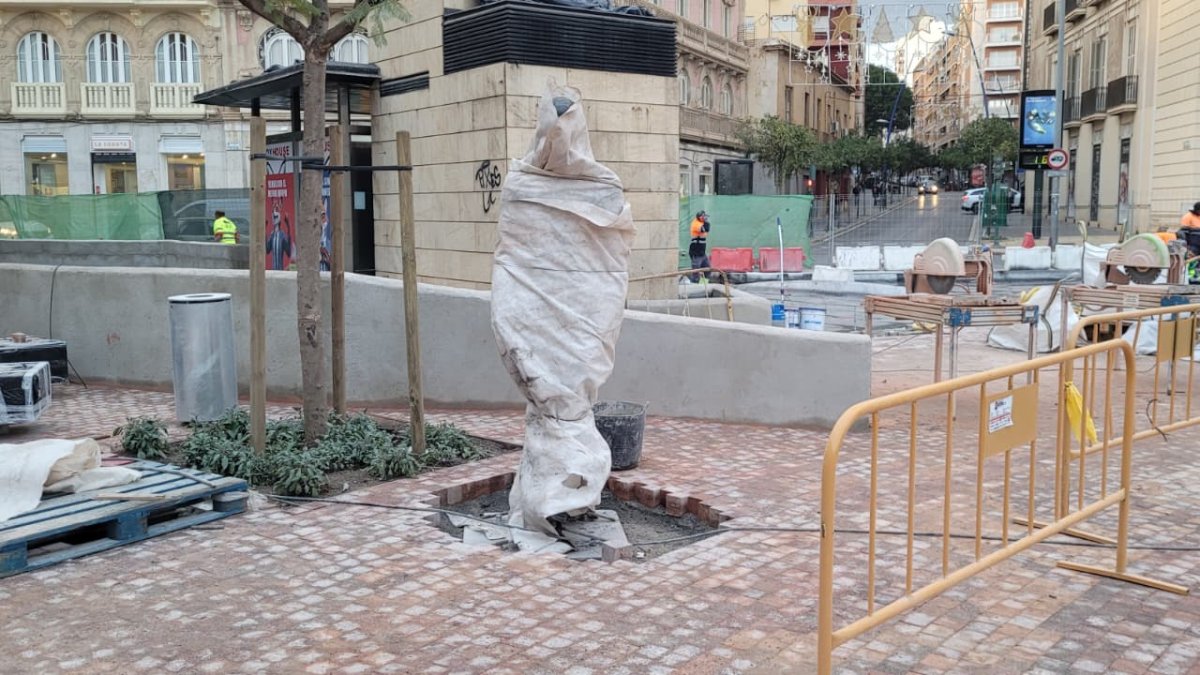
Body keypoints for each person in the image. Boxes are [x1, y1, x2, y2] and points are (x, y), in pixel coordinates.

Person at [688, 210, 711, 282]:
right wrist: (706, 222)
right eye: (703, 217)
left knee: (707, 270)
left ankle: (703, 285)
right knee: (696, 273)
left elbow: (707, 228)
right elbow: (705, 229)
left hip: (702, 252)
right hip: (696, 252)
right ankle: (694, 287)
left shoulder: (701, 222)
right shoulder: (696, 224)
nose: (705, 218)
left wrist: (705, 221)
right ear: (700, 217)